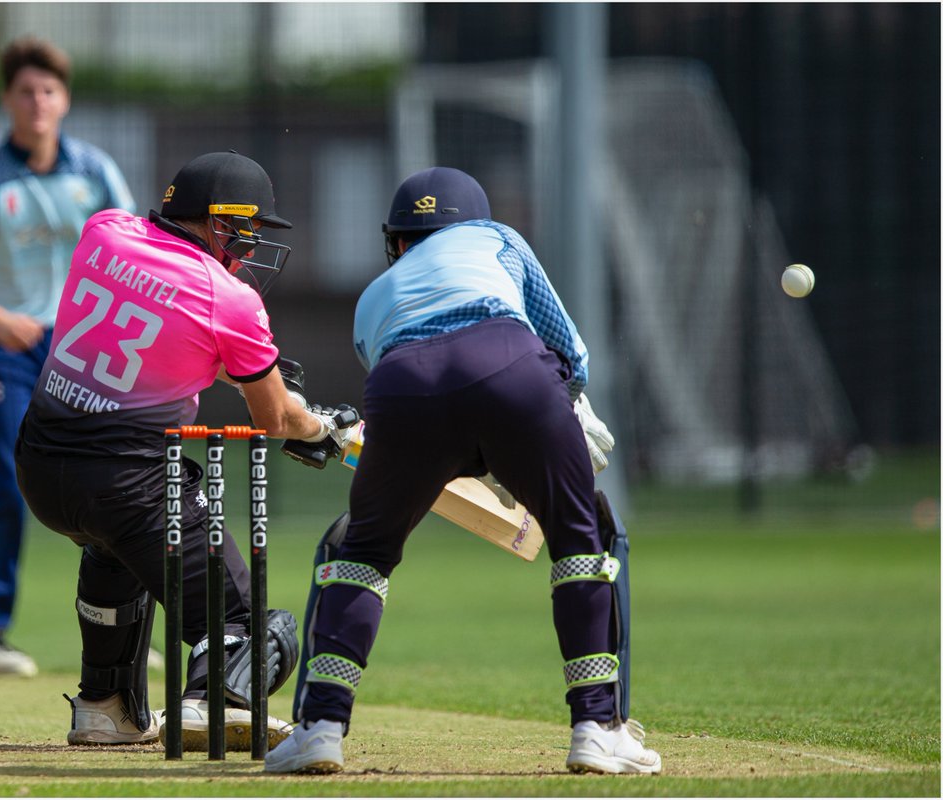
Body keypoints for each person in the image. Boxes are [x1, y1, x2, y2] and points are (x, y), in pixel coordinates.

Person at [264, 167, 662, 775]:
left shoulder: (373, 296)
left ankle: (320, 729)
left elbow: (406, 380)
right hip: (512, 371)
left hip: (403, 390)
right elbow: (568, 350)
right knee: (582, 541)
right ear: (472, 220)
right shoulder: (497, 238)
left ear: (396, 240)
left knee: (363, 553)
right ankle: (596, 728)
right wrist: (553, 419)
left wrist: (469, 450)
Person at [13, 151, 361, 749]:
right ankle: (210, 703)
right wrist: (321, 426)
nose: (249, 248)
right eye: (247, 230)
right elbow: (276, 419)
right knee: (248, 626)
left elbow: (163, 333)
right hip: (130, 484)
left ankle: (104, 706)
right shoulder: (230, 300)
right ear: (219, 220)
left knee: (112, 553)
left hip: (41, 469)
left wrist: (263, 383)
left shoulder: (104, 232)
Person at [0, 36, 139, 676]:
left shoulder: (95, 171)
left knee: (119, 479)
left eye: (48, 90)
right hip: (6, 348)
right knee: (6, 486)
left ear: (65, 99)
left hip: (81, 348)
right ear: (7, 100)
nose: (37, 102)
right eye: (25, 90)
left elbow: (134, 255)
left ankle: (126, 630)